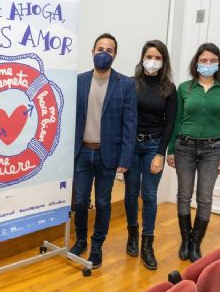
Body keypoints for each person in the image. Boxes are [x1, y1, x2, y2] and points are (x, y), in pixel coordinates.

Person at [70, 33, 137, 269]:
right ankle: (80, 240)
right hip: (81, 152)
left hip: (108, 155)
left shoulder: (126, 84)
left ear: (115, 55)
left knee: (103, 202)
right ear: (92, 51)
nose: (104, 53)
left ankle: (97, 245)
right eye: (100, 48)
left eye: (109, 50)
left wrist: (125, 158)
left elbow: (130, 124)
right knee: (79, 201)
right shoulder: (78, 81)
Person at [167, 42, 220, 262]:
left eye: (212, 61)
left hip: (213, 150)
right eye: (204, 60)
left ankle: (196, 243)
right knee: (184, 195)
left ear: (219, 63)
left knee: (205, 198)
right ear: (196, 63)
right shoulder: (185, 88)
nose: (208, 64)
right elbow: (176, 120)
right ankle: (185, 240)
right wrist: (170, 149)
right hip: (184, 147)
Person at [123, 40, 177, 270]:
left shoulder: (169, 88)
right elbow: (124, 118)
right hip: (131, 147)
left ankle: (147, 243)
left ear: (163, 62)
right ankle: (132, 235)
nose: (152, 61)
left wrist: (160, 154)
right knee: (131, 191)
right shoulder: (130, 84)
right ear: (142, 58)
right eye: (149, 56)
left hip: (153, 146)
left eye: (157, 58)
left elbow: (170, 123)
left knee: (150, 196)